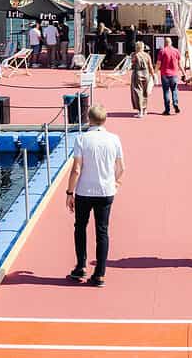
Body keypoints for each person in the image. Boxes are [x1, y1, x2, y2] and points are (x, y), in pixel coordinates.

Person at [66, 105, 124, 288]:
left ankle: (81, 266)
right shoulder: (114, 139)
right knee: (102, 231)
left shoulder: (81, 139)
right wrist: (115, 181)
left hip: (84, 191)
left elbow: (76, 169)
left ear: (88, 119)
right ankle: (99, 274)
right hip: (106, 191)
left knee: (80, 227)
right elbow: (121, 167)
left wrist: (69, 192)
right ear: (104, 120)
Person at [156, 38, 184, 115]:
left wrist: (155, 72)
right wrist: (184, 73)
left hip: (164, 73)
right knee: (174, 90)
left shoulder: (162, 51)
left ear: (165, 43)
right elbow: (180, 64)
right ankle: (175, 103)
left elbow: (158, 63)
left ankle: (167, 109)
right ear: (171, 43)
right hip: (174, 74)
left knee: (166, 91)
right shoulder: (176, 51)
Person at [129, 41, 155, 118]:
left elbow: (131, 64)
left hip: (137, 74)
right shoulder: (147, 55)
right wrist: (153, 75)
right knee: (145, 92)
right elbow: (150, 66)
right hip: (146, 74)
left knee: (138, 92)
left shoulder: (134, 55)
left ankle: (140, 111)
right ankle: (145, 109)